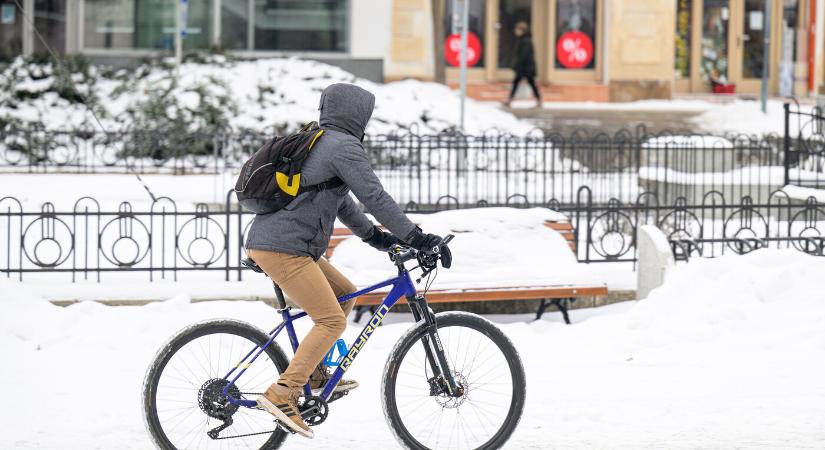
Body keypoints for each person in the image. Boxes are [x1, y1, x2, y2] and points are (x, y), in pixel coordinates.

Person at [244, 83, 448, 439]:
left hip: (283, 243)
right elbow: (375, 196)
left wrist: (376, 238)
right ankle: (283, 392)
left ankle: (315, 373)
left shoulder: (320, 140)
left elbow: (341, 202)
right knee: (330, 320)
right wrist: (416, 237)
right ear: (359, 115)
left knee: (345, 293)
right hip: (284, 247)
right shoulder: (343, 146)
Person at [505, 20, 542, 108]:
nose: (516, 31)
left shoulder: (526, 41)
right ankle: (509, 100)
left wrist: (516, 64)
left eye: (518, 30)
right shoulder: (522, 40)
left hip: (526, 67)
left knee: (530, 83)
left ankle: (538, 100)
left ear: (522, 31)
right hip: (524, 67)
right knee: (518, 83)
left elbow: (523, 55)